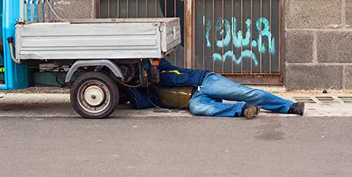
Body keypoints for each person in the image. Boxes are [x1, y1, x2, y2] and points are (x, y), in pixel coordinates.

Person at [125, 59, 305, 119]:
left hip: (204, 81)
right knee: (198, 109)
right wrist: (128, 87)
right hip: (193, 99)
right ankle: (242, 109)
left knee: (243, 92)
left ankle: (289, 106)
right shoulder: (144, 94)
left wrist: (152, 71)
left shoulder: (156, 65)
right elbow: (138, 103)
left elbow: (170, 71)